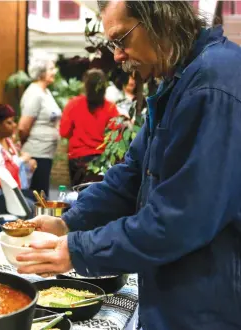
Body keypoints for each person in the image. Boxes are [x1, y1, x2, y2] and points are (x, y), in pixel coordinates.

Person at [16, 1, 241, 329]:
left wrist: (78, 250)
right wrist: (69, 224)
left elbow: (180, 219)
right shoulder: (178, 79)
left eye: (121, 40)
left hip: (209, 303)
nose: (117, 56)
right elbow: (131, 175)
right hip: (174, 294)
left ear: (160, 17)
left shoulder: (211, 84)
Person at [60, 69, 119, 186]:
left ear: (85, 85)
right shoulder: (111, 108)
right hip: (102, 160)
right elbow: (116, 138)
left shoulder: (73, 104)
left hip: (77, 160)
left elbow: (64, 132)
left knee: (78, 194)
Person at [18, 53, 61, 197]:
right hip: (36, 153)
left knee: (43, 194)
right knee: (39, 196)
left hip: (45, 152)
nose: (54, 72)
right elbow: (23, 127)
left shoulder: (45, 92)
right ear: (41, 72)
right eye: (51, 68)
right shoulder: (34, 93)